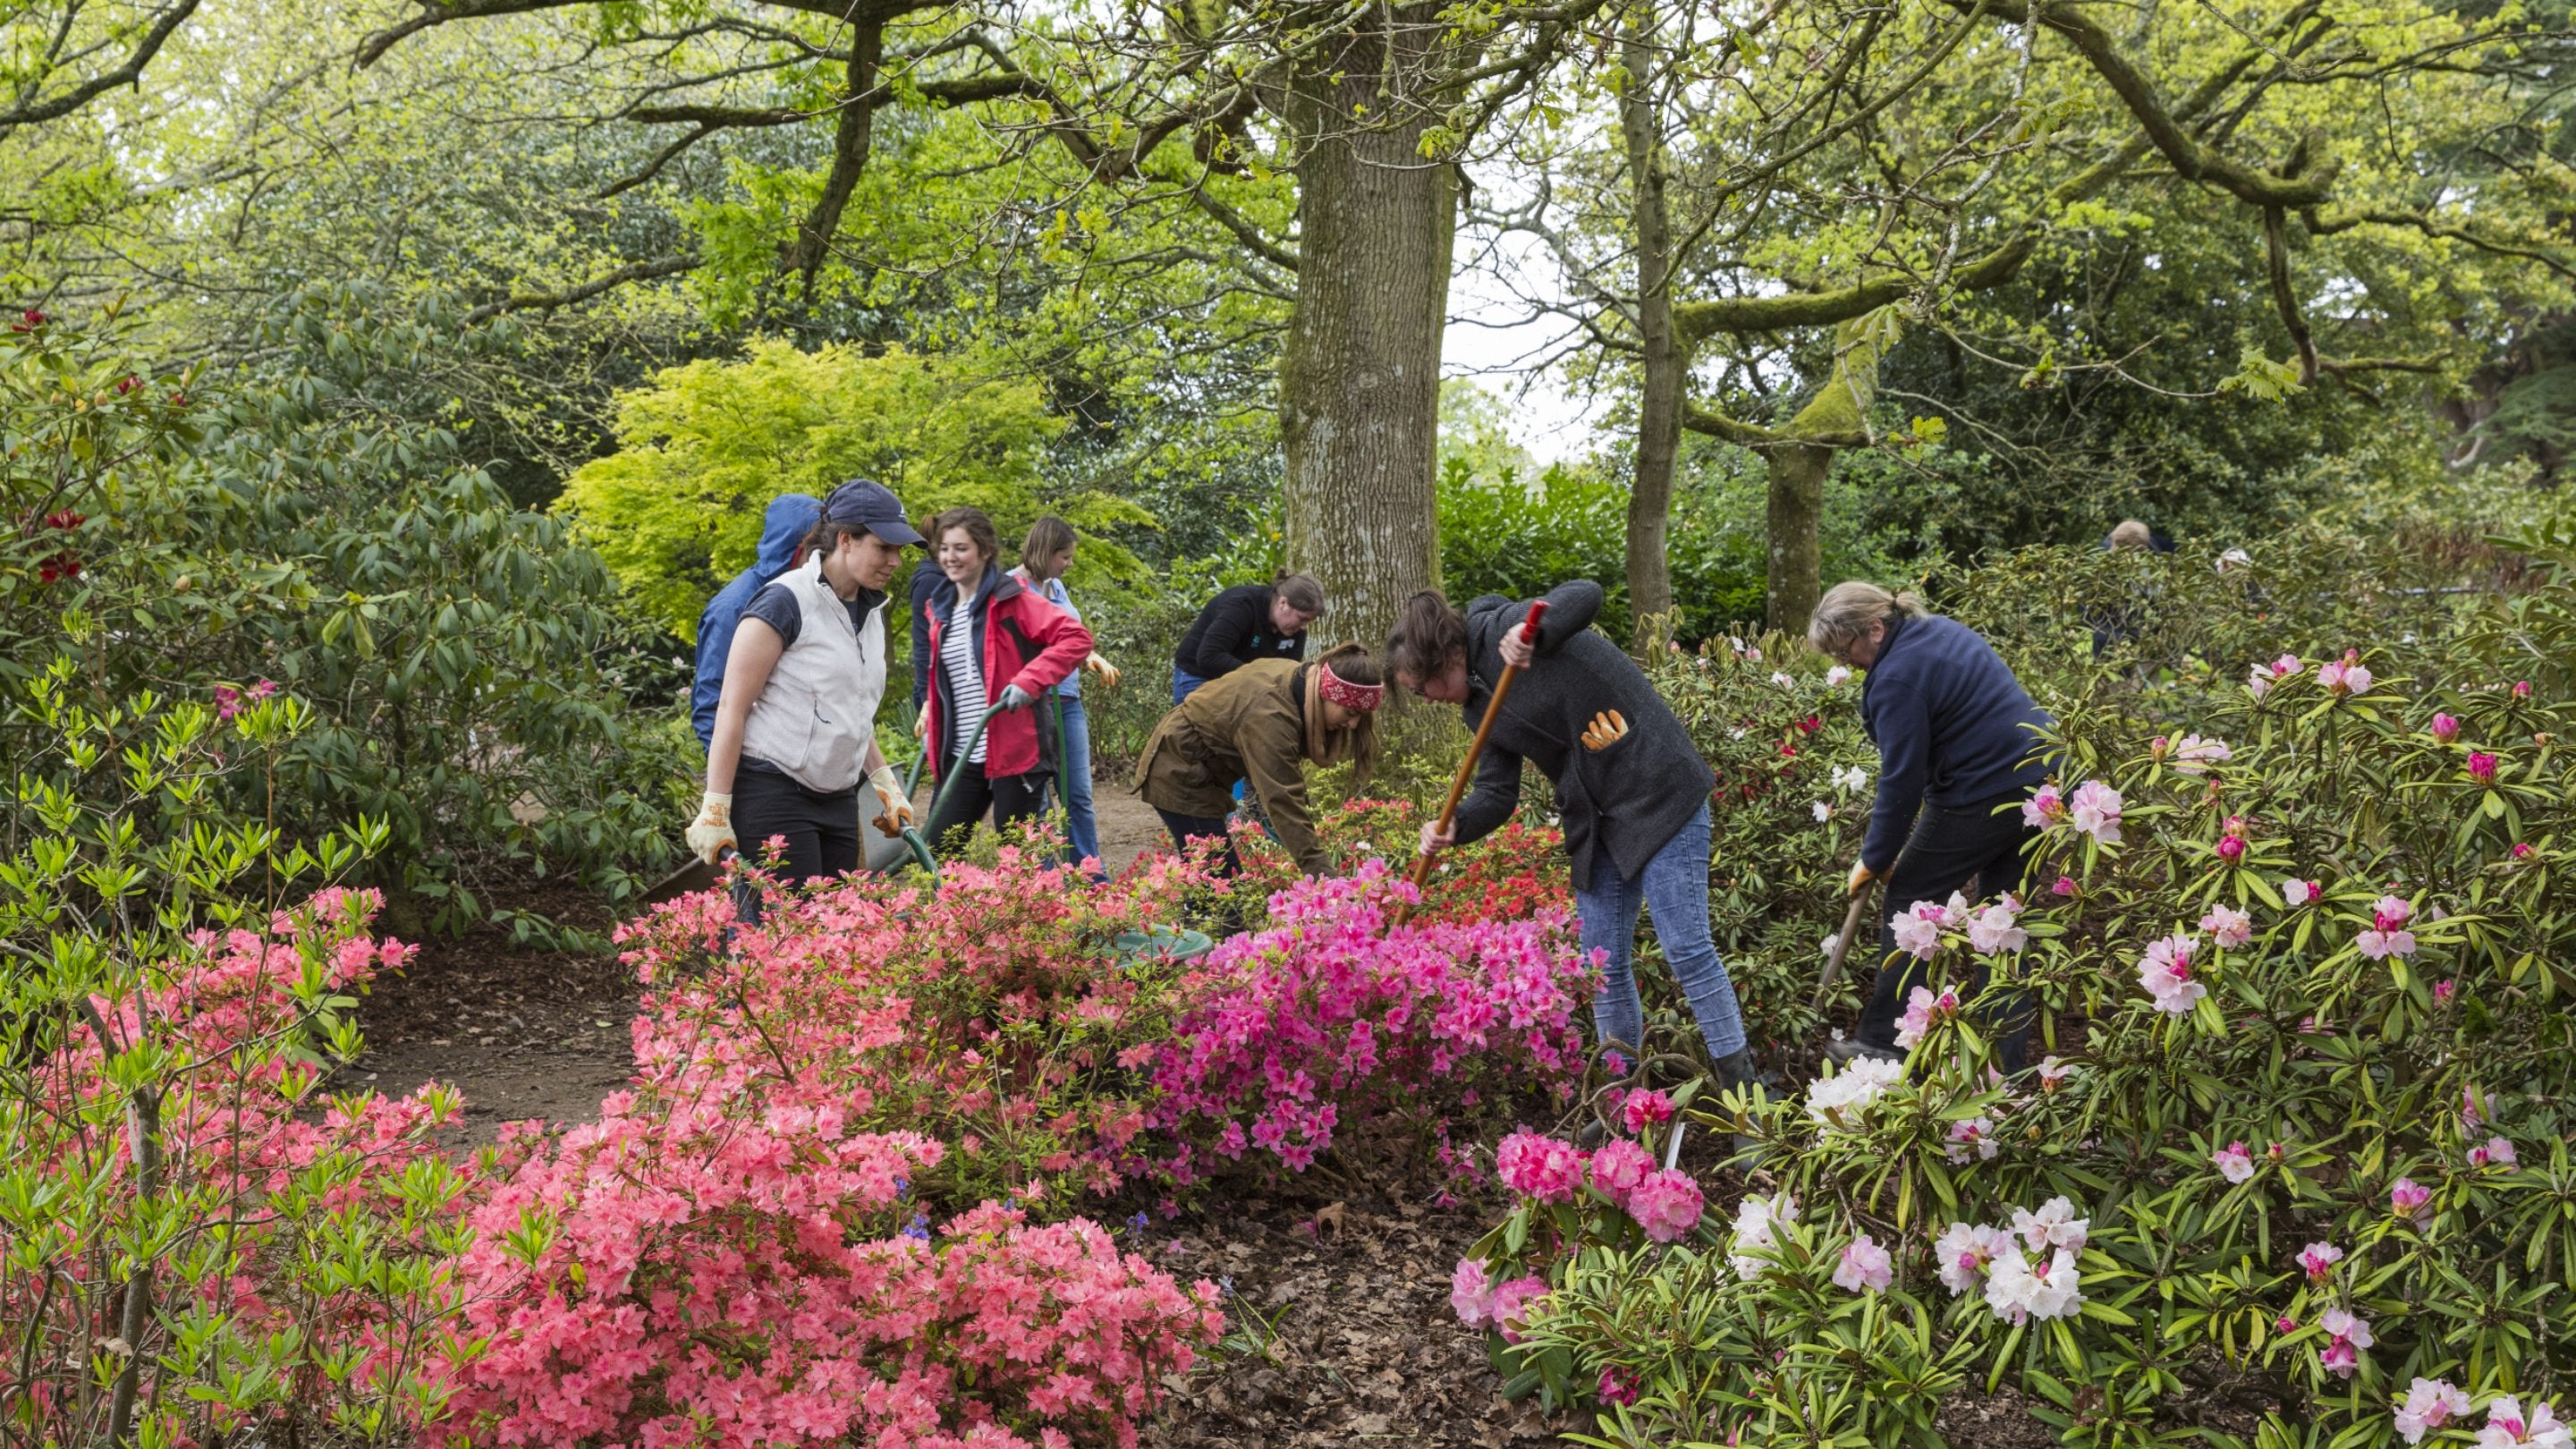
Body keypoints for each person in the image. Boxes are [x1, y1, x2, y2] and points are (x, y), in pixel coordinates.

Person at [1387, 582, 1760, 1096]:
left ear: (1442, 660)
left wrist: (1533, 633)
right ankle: (1623, 1098)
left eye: (1419, 689)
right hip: (1596, 816)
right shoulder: (1478, 708)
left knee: (1687, 949)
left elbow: (1585, 594)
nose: (1425, 700)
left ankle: (1746, 1095)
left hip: (1659, 790)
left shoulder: (1500, 629)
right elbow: (1497, 792)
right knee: (1599, 966)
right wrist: (1459, 825)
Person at [1811, 580, 2055, 1068]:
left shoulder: (1897, 677)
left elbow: (1901, 780)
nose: (1845, 664)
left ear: (1875, 629)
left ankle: (1883, 1043)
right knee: (2001, 923)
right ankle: (2010, 1069)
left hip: (1985, 790)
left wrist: (1875, 858)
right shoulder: (1938, 630)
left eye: (1845, 649)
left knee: (1911, 901)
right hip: (2042, 782)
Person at [687, 479, 923, 919]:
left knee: (833, 941)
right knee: (788, 943)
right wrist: (716, 804)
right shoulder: (785, 601)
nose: (895, 561)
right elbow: (730, 708)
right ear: (846, 539)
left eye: (900, 550)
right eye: (884, 547)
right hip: (774, 791)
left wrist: (884, 782)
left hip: (836, 797)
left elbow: (851, 711)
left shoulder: (869, 610)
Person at [919, 507, 1095, 857]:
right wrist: (934, 721)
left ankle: (1028, 911)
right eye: (945, 548)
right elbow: (946, 681)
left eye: (961, 549)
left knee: (1017, 860)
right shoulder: (939, 609)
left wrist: (1030, 680)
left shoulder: (1013, 599)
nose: (950, 557)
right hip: (963, 751)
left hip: (1014, 753)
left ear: (984, 551)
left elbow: (1075, 638)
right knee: (938, 851)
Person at [1133, 643, 1383, 877]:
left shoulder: (1300, 680)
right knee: (1221, 891)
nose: (1353, 724)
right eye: (1350, 713)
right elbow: (1282, 797)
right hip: (1179, 770)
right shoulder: (1271, 715)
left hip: (1202, 771)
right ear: (1326, 693)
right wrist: (1323, 874)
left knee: (1213, 884)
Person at [1008, 516, 1123, 873]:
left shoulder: (1056, 588)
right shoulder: (1011, 587)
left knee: (1078, 796)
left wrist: (1089, 654)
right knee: (1038, 801)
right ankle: (1044, 882)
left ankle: (1090, 877)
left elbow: (1068, 631)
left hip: (1068, 701)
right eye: (1065, 556)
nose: (1069, 564)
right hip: (1032, 707)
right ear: (1046, 551)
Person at [691, 493, 821, 749]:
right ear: (796, 548)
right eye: (818, 548)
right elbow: (712, 703)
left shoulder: (804, 594)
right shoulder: (732, 607)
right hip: (754, 767)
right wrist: (734, 780)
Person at [1171, 573, 1325, 704]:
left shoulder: (1295, 629)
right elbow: (1208, 656)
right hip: (1199, 676)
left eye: (1308, 622)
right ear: (1283, 603)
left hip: (1243, 683)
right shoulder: (1241, 606)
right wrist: (1258, 676)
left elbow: (1287, 672)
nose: (1304, 627)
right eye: (1302, 619)